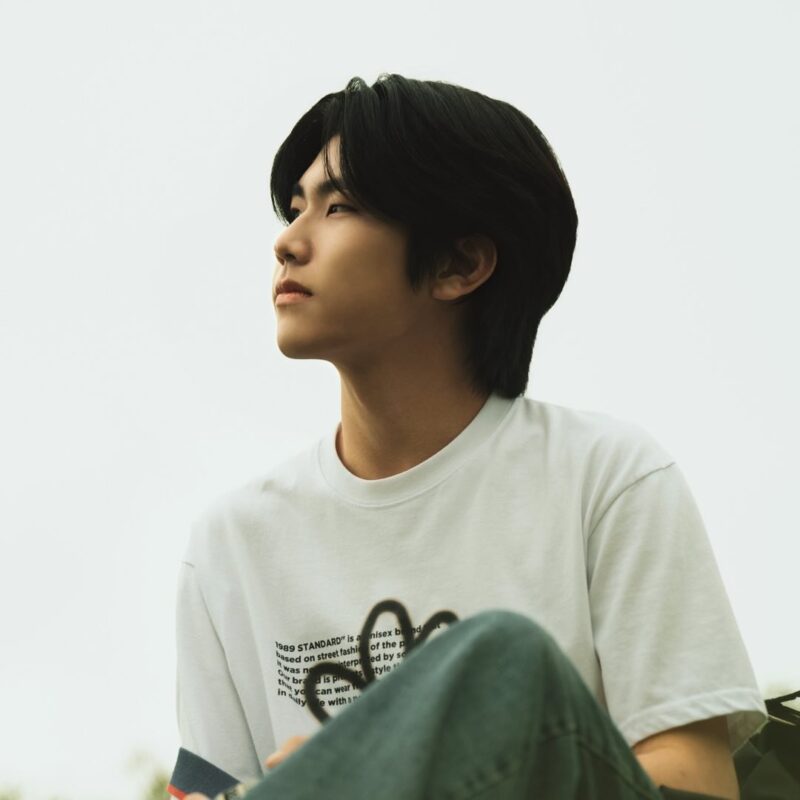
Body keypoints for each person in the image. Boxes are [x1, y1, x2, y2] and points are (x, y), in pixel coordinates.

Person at [168, 73, 767, 800]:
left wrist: (379, 777)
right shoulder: (234, 544)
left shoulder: (604, 477)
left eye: (339, 206)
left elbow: (695, 783)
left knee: (504, 661)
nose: (288, 241)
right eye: (296, 208)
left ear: (459, 264)